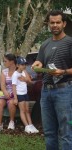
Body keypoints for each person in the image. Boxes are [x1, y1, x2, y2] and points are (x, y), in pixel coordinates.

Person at [32, 10, 72, 150]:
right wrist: (37, 65)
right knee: (49, 133)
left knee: (66, 133)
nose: (55, 25)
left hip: (64, 90)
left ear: (64, 24)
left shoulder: (69, 42)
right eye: (52, 22)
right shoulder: (45, 44)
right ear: (48, 24)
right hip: (46, 91)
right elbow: (40, 62)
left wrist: (64, 71)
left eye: (58, 22)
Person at [12, 56, 39, 133]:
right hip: (19, 94)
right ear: (17, 65)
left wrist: (25, 79)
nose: (24, 66)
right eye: (22, 64)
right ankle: (26, 126)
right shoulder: (15, 74)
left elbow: (30, 82)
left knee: (27, 110)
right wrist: (15, 98)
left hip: (25, 93)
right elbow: (13, 86)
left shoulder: (24, 72)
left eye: (25, 64)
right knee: (22, 110)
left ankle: (30, 125)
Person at [0, 53, 17, 131]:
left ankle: (11, 122)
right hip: (5, 93)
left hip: (15, 94)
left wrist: (12, 94)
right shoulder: (4, 71)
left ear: (11, 62)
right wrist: (5, 92)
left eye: (5, 61)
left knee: (11, 103)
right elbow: (2, 84)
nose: (4, 63)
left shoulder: (18, 71)